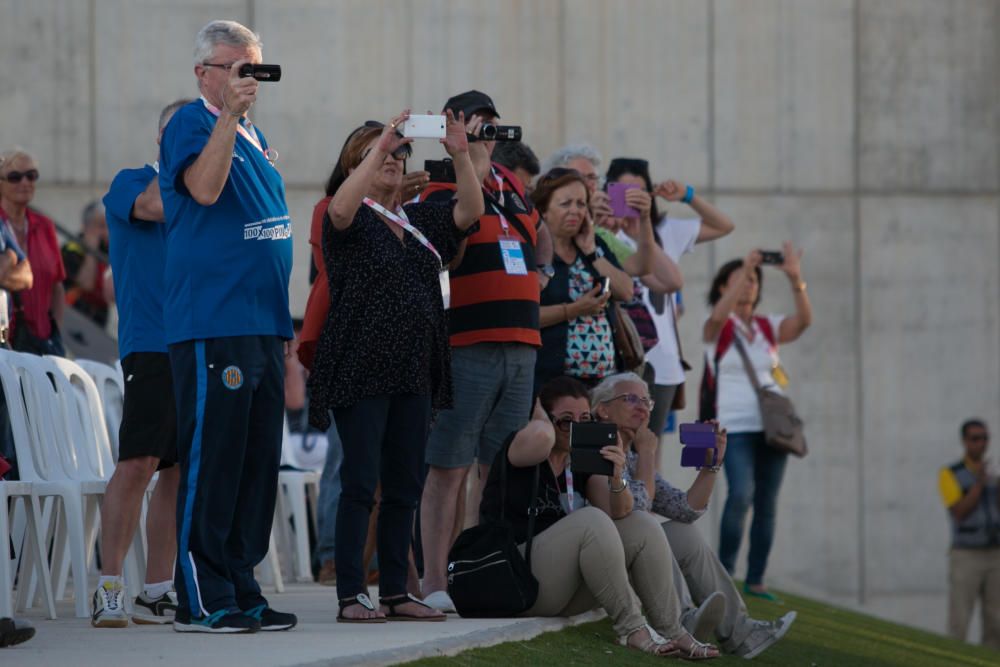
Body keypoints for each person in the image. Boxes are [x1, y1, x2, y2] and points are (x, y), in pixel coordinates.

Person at [307, 108, 483, 623]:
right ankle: (349, 593)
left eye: (400, 151)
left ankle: (394, 592)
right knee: (361, 482)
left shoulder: (420, 217)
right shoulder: (346, 215)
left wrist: (461, 155)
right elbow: (339, 209)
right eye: (380, 153)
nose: (394, 158)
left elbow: (468, 210)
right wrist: (380, 145)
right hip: (360, 367)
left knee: (404, 485)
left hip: (414, 369)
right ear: (354, 165)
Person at [158, 20, 295, 634]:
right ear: (204, 72)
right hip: (214, 321)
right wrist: (224, 120)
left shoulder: (256, 135)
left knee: (255, 467)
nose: (249, 80)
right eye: (237, 68)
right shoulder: (194, 121)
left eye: (256, 69)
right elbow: (205, 191)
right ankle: (201, 594)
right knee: (213, 462)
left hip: (261, 323)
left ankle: (242, 584)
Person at [480, 376, 719, 659]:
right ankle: (632, 629)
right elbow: (544, 437)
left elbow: (621, 511)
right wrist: (541, 416)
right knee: (591, 519)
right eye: (567, 421)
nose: (576, 429)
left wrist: (617, 475)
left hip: (563, 591)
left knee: (641, 524)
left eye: (584, 420)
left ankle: (673, 631)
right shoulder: (524, 448)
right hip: (518, 581)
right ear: (543, 418)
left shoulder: (581, 462)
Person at [418, 91, 543, 613]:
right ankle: (434, 581)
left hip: (521, 343)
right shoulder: (439, 183)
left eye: (492, 122)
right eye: (477, 122)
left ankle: (485, 569)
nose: (487, 130)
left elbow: (539, 241)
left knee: (498, 470)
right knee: (449, 466)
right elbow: (451, 241)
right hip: (468, 343)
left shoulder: (512, 186)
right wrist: (465, 161)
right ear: (454, 125)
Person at [592, 372, 798, 658]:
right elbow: (636, 513)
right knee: (649, 524)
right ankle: (682, 620)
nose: (641, 406)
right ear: (602, 409)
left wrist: (711, 466)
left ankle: (739, 632)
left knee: (682, 531)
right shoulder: (597, 450)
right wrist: (650, 454)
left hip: (633, 555)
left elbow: (685, 509)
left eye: (646, 401)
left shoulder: (636, 458)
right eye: (629, 399)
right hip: (603, 564)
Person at [90, 99, 191, 629]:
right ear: (162, 138)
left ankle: (157, 590)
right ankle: (110, 587)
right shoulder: (132, 180)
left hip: (200, 340)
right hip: (152, 343)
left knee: (179, 472)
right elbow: (156, 206)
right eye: (184, 131)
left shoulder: (208, 188)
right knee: (139, 463)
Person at [702, 246, 812, 599]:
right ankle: (725, 573)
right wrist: (745, 264)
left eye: (754, 279)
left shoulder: (767, 325)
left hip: (772, 427)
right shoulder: (716, 326)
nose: (750, 284)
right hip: (732, 426)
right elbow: (717, 318)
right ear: (723, 286)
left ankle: (756, 579)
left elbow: (803, 322)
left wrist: (796, 279)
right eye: (742, 279)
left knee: (767, 503)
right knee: (741, 494)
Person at [605, 158, 734, 436]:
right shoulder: (604, 233)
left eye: (639, 192)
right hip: (621, 356)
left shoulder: (665, 231)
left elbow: (724, 226)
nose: (631, 199)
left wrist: (687, 195)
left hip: (663, 361)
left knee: (650, 447)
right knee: (620, 445)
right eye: (623, 192)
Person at [531, 168, 655, 389]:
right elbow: (522, 316)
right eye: (565, 204)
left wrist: (591, 251)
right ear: (543, 210)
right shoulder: (532, 250)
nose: (575, 211)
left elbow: (626, 291)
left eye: (581, 204)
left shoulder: (594, 244)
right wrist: (573, 310)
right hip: (552, 383)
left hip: (604, 383)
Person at [938, 419, 999, 649]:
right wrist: (979, 484)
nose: (981, 443)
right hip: (966, 555)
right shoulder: (950, 474)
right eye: (975, 438)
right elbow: (959, 512)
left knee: (996, 620)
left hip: (995, 552)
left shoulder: (993, 473)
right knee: (960, 618)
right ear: (964, 442)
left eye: (985, 438)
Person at [0, 147, 66, 355]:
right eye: (15, 177)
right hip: (6, 341)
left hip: (42, 342)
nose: (25, 182)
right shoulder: (1, 226)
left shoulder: (44, 225)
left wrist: (56, 332)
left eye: (31, 175)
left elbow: (57, 285)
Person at [0, 202, 32, 479]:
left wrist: (9, 261)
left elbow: (27, 274)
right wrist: (8, 262)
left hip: (3, 342)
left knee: (8, 446)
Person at [61, 201, 111, 328]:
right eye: (101, 226)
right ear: (86, 227)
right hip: (71, 323)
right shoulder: (71, 249)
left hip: (98, 326)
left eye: (109, 225)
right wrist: (91, 249)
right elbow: (86, 284)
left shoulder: (108, 250)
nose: (107, 232)